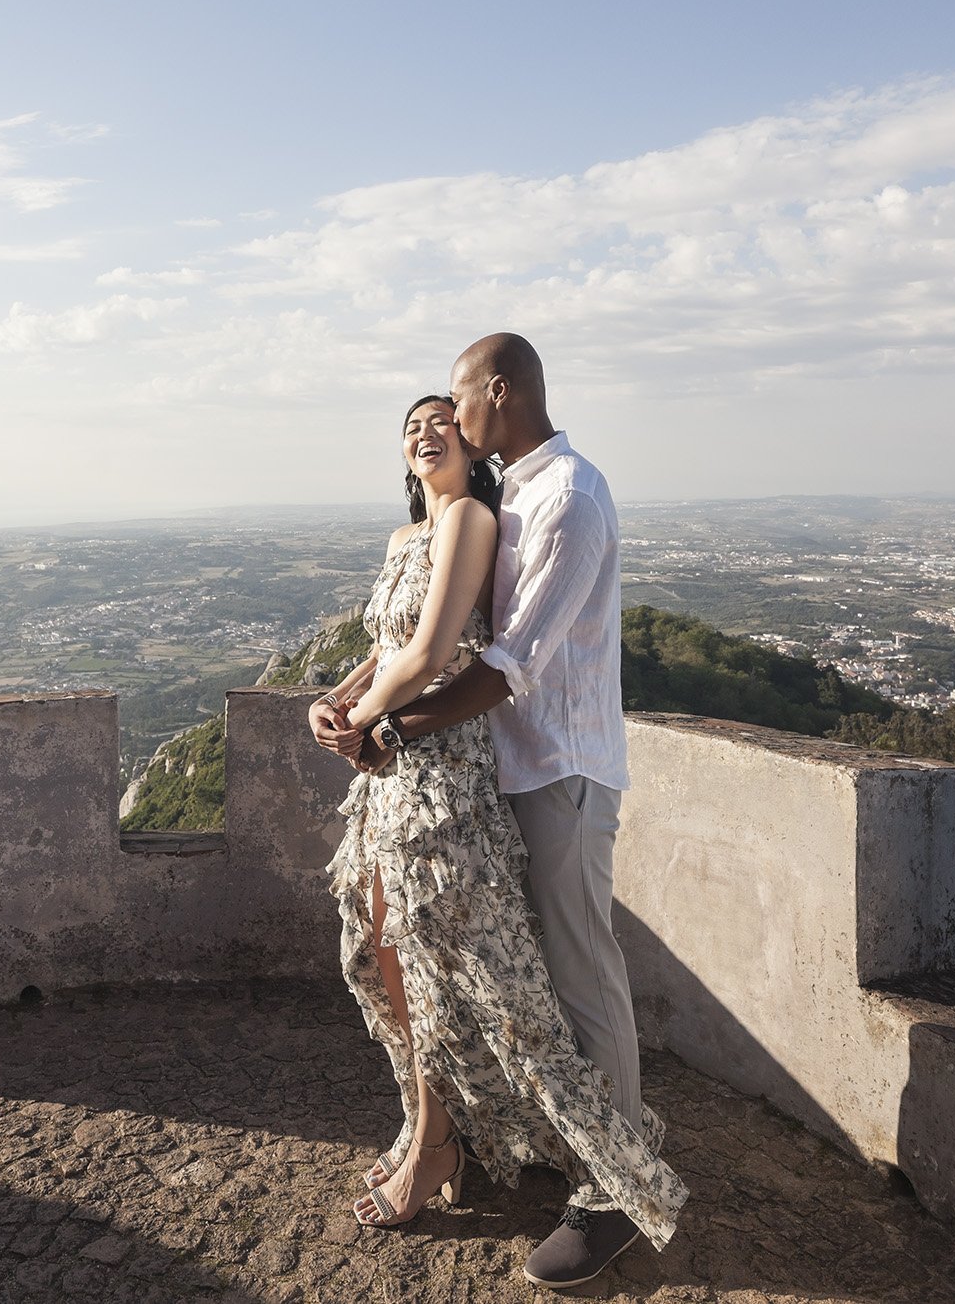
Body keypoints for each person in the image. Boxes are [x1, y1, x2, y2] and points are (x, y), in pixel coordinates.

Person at [309, 378, 684, 1289]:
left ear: (491, 406)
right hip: (455, 766)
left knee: (550, 979)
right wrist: (340, 699)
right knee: (396, 962)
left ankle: (618, 1182)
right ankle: (437, 1133)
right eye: (414, 426)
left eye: (449, 413)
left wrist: (377, 724)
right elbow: (397, 642)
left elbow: (456, 653)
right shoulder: (491, 504)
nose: (433, 429)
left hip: (513, 769)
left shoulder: (539, 501)